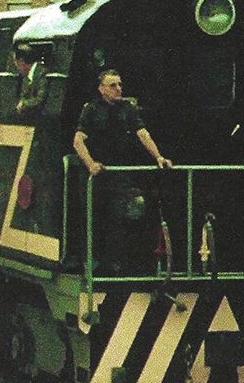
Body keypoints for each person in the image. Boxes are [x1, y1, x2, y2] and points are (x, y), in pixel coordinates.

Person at [73, 69, 172, 273]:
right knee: (93, 217)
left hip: (119, 173)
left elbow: (143, 134)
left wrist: (159, 156)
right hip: (97, 174)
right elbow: (78, 141)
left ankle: (115, 264)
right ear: (101, 89)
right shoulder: (91, 110)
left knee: (119, 217)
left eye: (119, 84)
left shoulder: (128, 109)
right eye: (113, 85)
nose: (118, 89)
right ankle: (91, 262)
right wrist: (91, 164)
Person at [14, 44, 48, 116]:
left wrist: (24, 104)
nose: (17, 68)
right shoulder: (26, 77)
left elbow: (41, 99)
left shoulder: (42, 73)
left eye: (16, 64)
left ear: (21, 61)